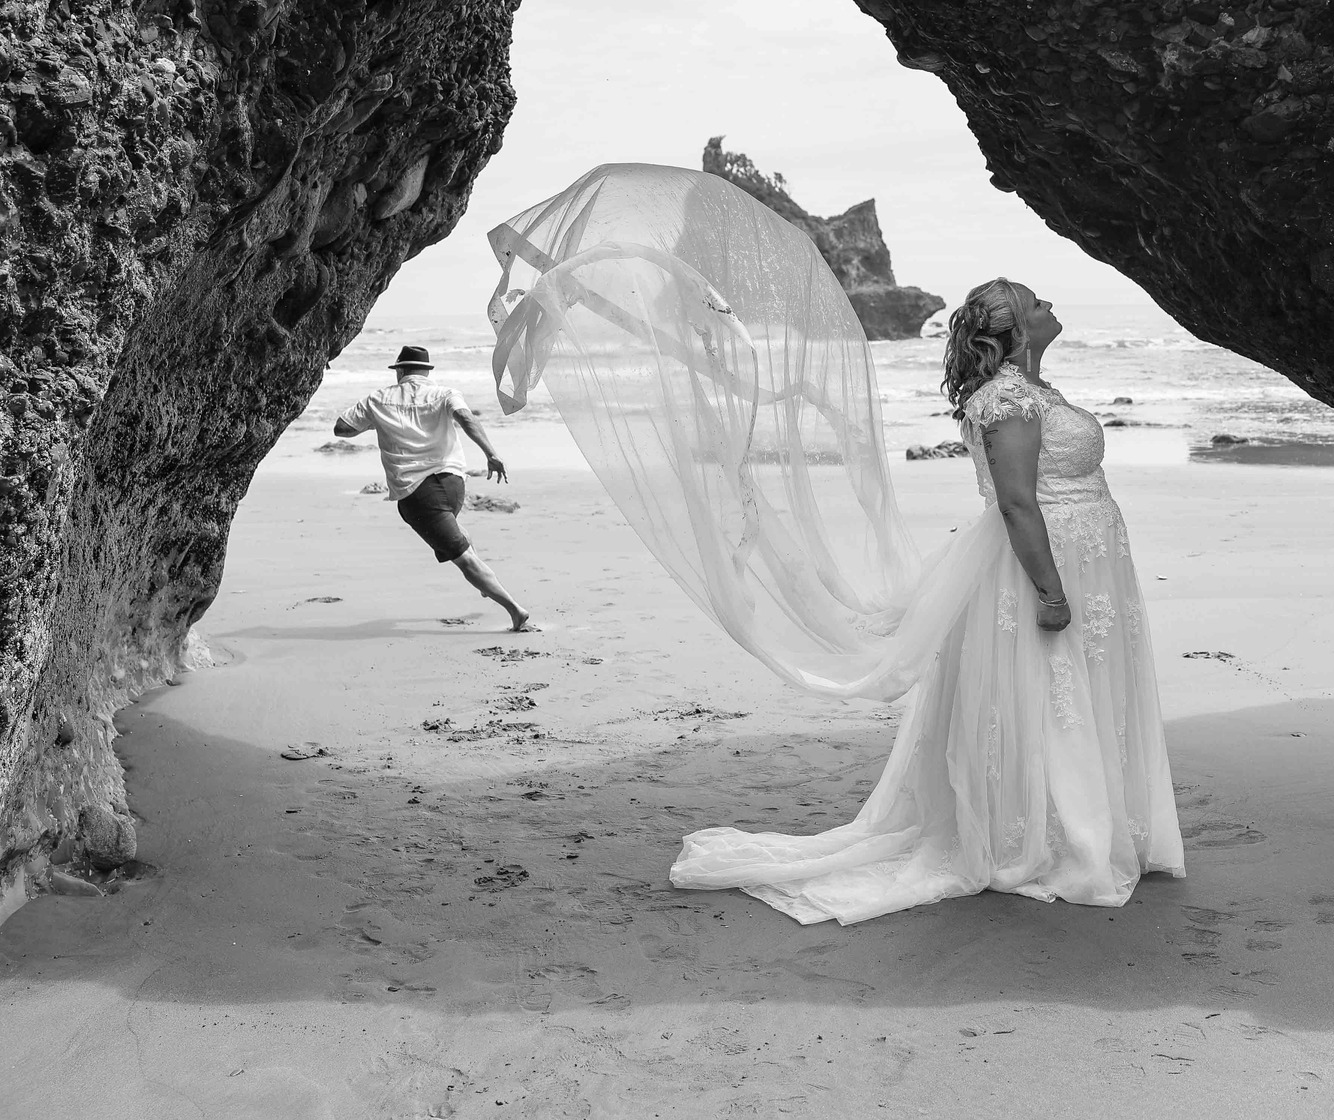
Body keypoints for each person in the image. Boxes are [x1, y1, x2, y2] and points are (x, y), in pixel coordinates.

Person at [487, 165, 1182, 924]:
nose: (1051, 304)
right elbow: (1017, 503)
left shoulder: (1037, 391)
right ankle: (1058, 840)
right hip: (1037, 566)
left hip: (1089, 559)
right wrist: (1050, 591)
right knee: (1050, 701)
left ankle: (1090, 827)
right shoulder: (1008, 400)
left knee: (1077, 696)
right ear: (1015, 328)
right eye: (1036, 301)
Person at [334, 344, 533, 632]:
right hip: (454, 485)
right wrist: (491, 454)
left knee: (463, 559)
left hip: (417, 493)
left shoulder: (378, 399)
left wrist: (376, 424)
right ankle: (484, 582)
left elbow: (341, 428)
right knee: (455, 530)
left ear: (399, 371)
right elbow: (467, 419)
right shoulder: (445, 393)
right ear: (427, 371)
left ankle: (515, 610)